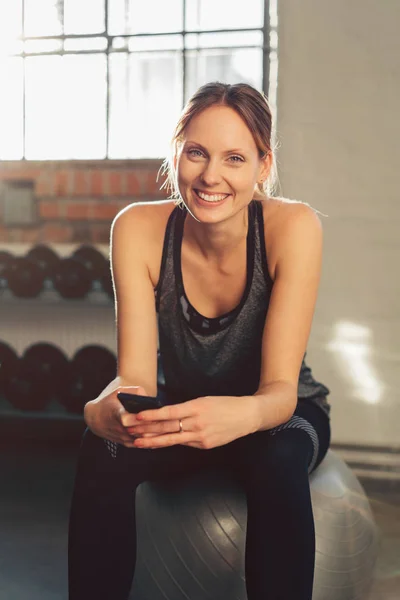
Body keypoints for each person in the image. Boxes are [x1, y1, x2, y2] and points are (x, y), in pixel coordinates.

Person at [68, 82, 331, 600]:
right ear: (176, 154)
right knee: (103, 449)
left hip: (278, 415)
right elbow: (137, 377)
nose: (211, 176)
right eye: (196, 153)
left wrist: (238, 416)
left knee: (275, 461)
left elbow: (279, 389)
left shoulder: (293, 226)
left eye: (235, 158)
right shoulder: (138, 228)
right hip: (189, 412)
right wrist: (100, 409)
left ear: (262, 166)